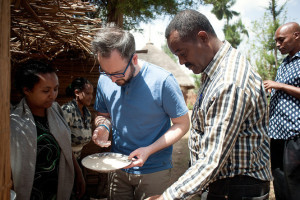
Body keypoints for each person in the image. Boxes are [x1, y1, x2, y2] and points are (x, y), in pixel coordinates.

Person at [148, 9, 273, 200]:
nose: (181, 62)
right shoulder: (213, 71)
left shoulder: (228, 82)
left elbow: (211, 160)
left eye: (182, 53)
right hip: (224, 184)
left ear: (202, 37)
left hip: (237, 189)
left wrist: (167, 197)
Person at [90, 27, 190, 200]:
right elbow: (104, 115)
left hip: (154, 169)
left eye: (117, 73)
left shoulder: (163, 81)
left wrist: (149, 150)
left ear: (134, 59)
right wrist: (103, 126)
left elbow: (182, 124)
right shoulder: (104, 79)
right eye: (106, 72)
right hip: (116, 166)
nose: (112, 80)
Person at [10, 60, 85, 200]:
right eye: (46, 90)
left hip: (58, 187)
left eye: (55, 89)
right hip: (32, 191)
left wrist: (78, 173)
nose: (52, 95)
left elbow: (65, 147)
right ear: (27, 90)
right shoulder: (14, 122)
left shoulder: (56, 110)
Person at [263, 22, 300, 200]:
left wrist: (280, 85)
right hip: (278, 132)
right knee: (279, 179)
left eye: (281, 40)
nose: (278, 44)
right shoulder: (285, 63)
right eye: (276, 41)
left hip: (295, 133)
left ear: (296, 36)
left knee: (294, 181)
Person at [61, 77, 94, 160]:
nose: (91, 97)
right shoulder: (68, 111)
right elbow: (61, 141)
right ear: (77, 93)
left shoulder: (87, 114)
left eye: (91, 94)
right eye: (87, 93)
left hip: (77, 158)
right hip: (64, 159)